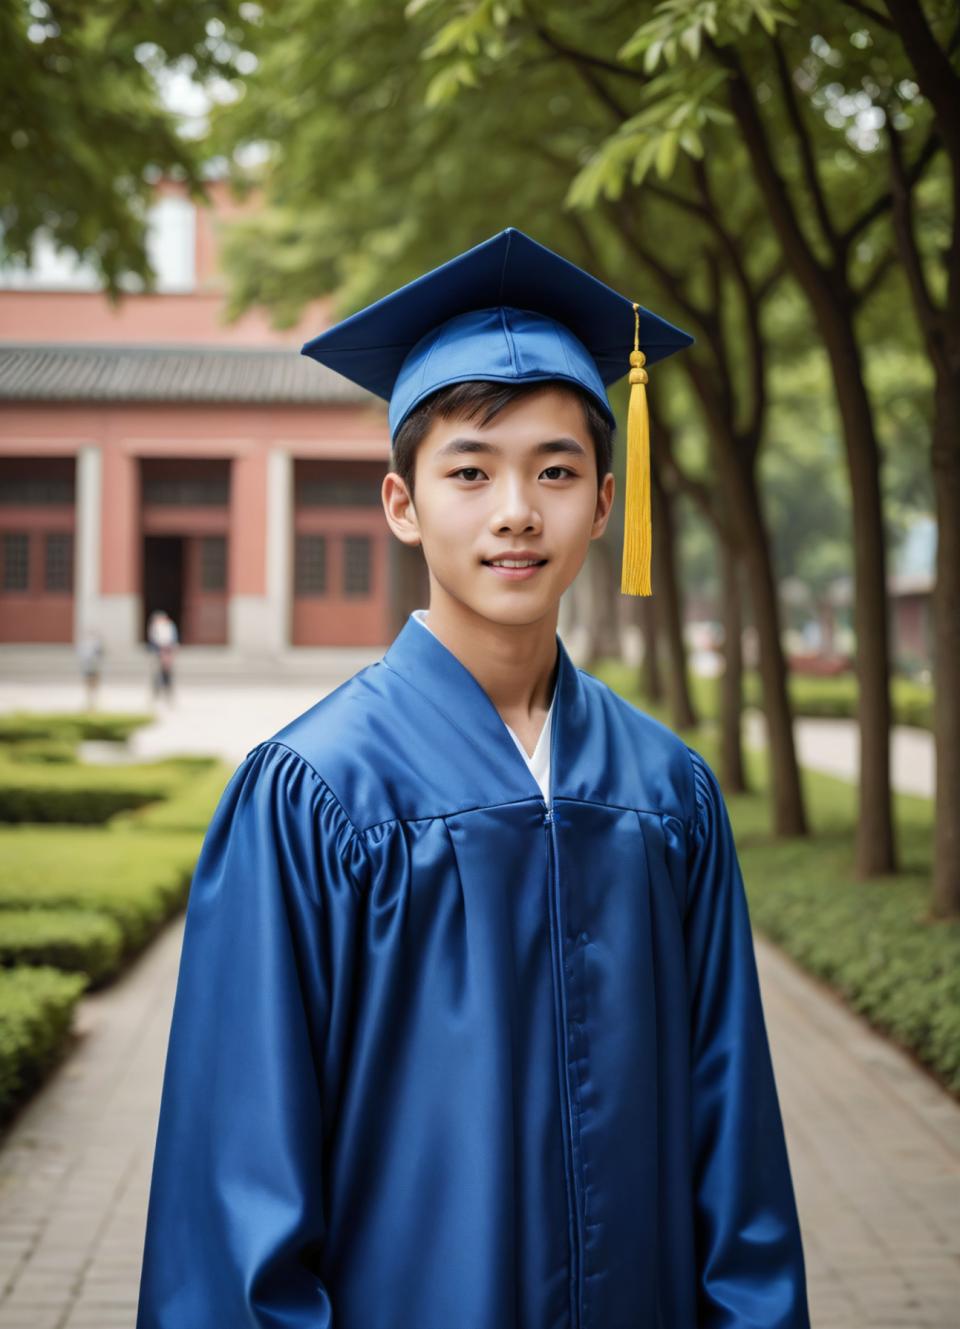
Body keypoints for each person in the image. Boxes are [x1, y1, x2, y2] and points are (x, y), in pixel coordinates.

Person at [136, 227, 811, 1328]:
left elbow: (735, 1152)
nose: (515, 511)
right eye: (470, 472)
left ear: (604, 502)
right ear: (402, 504)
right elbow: (238, 1188)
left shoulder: (666, 794)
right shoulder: (313, 793)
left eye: (556, 470)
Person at [146, 608, 178, 705]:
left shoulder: (169, 626)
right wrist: (159, 651)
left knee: (168, 675)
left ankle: (169, 696)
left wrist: (169, 651)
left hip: (167, 653)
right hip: (158, 653)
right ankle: (155, 695)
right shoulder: (154, 627)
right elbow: (152, 641)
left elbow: (173, 639)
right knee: (156, 674)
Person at [76, 627, 104, 711]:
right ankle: (89, 702)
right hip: (87, 668)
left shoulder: (96, 644)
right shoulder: (84, 645)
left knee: (94, 684)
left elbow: (100, 654)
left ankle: (94, 701)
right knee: (88, 685)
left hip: (94, 667)